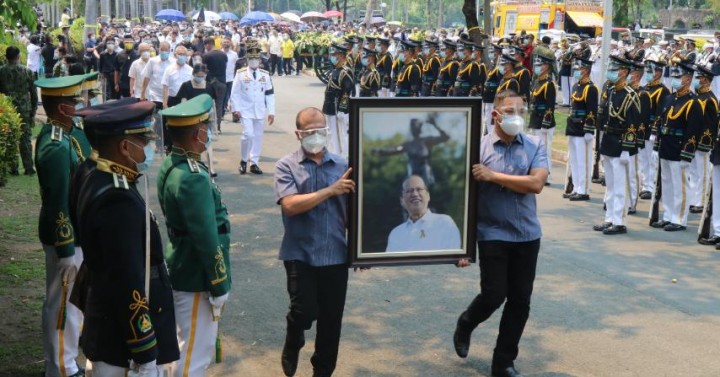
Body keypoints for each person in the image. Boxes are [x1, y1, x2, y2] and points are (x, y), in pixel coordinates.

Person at [70, 99, 179, 376]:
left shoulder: (91, 171)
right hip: (121, 342)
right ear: (124, 147)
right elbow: (128, 279)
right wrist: (145, 352)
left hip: (106, 321)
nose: (149, 147)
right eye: (144, 140)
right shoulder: (118, 201)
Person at [453, 89, 548, 377]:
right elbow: (462, 199)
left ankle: (503, 361)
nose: (516, 117)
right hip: (492, 232)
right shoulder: (478, 149)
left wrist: (494, 177)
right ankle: (467, 322)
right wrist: (462, 247)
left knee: (520, 301)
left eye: (520, 111)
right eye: (509, 111)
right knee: (494, 295)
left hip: (527, 234)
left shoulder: (534, 145)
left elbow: (536, 184)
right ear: (495, 114)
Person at [274, 107, 355, 377]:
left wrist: (363, 250)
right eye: (310, 132)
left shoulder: (344, 166)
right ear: (299, 134)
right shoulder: (286, 166)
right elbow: (290, 205)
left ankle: (322, 371)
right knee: (303, 311)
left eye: (321, 130)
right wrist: (330, 190)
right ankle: (294, 338)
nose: (317, 136)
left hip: (336, 255)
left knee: (331, 322)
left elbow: (355, 213)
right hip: (301, 255)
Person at [157, 94, 232, 377]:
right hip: (196, 275)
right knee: (194, 356)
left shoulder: (173, 164)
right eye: (206, 127)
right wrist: (219, 282)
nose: (208, 132)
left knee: (184, 346)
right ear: (198, 132)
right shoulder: (192, 176)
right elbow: (206, 236)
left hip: (182, 264)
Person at [33, 74, 91, 377]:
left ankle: (66, 361)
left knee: (71, 305)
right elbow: (57, 203)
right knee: (62, 306)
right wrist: (66, 246)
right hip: (64, 237)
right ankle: (60, 369)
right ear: (60, 108)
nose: (78, 105)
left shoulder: (66, 133)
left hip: (77, 233)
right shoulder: (55, 146)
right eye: (72, 101)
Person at [593, 56, 641, 235]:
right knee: (611, 185)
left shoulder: (631, 95)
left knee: (620, 185)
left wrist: (627, 149)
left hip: (621, 143)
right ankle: (610, 218)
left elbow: (632, 124)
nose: (612, 70)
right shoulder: (612, 91)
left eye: (616, 67)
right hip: (609, 141)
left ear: (624, 71)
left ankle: (619, 221)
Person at [230, 40, 276, 175]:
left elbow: (269, 94)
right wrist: (235, 109)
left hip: (260, 110)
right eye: (252, 58)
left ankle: (254, 163)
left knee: (257, 136)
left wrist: (271, 111)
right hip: (245, 109)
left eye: (256, 58)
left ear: (260, 60)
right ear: (247, 59)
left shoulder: (265, 75)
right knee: (248, 134)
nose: (254, 61)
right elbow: (235, 93)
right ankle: (244, 160)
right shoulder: (241, 73)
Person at [386, 175, 461, 252]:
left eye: (419, 189)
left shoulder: (444, 223)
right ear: (402, 201)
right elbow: (388, 263)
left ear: (428, 196)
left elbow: (453, 258)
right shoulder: (396, 234)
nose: (415, 194)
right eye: (409, 191)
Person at [373, 117, 450, 187]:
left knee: (424, 188)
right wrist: (380, 151)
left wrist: (435, 125)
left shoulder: (427, 141)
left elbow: (446, 137)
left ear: (420, 127)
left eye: (415, 125)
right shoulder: (408, 145)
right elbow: (394, 150)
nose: (413, 127)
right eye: (412, 125)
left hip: (425, 175)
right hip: (413, 175)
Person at [563, 57, 598, 201]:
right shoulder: (576, 86)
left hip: (583, 127)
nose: (578, 71)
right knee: (574, 160)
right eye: (577, 69)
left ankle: (584, 190)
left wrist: (589, 129)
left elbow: (591, 110)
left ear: (587, 70)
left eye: (581, 69)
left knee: (584, 160)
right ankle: (576, 187)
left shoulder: (591, 88)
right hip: (573, 126)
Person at [0, 46, 38, 176]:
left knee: (10, 137)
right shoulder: (27, 71)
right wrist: (33, 110)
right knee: (25, 138)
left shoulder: (1, 71)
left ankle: (13, 168)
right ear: (18, 56)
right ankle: (28, 167)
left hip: (7, 110)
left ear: (6, 57)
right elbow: (34, 94)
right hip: (24, 109)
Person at [687, 64, 718, 214]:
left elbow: (711, 124)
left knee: (703, 171)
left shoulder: (709, 99)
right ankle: (694, 198)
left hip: (703, 141)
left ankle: (701, 201)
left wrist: (705, 142)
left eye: (699, 78)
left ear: (706, 80)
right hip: (693, 140)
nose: (696, 80)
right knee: (693, 171)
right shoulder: (698, 96)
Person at [639, 59, 670, 200]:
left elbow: (660, 112)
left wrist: (654, 130)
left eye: (653, 71)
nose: (649, 73)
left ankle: (651, 186)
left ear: (659, 72)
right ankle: (645, 183)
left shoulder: (662, 90)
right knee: (643, 157)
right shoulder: (645, 87)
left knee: (652, 159)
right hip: (642, 127)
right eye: (649, 70)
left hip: (652, 129)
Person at [321, 43, 354, 157]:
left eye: (334, 54)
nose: (332, 57)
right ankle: (334, 154)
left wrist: (342, 109)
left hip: (337, 107)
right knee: (331, 132)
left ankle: (343, 156)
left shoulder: (345, 71)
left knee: (340, 134)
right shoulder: (336, 70)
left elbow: (347, 91)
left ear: (340, 56)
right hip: (330, 106)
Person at [202, 37, 228, 133]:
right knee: (219, 104)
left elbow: (204, 70)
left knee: (209, 105)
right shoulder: (224, 55)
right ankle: (218, 126)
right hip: (222, 81)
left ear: (208, 44)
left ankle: (209, 126)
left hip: (210, 83)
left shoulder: (206, 56)